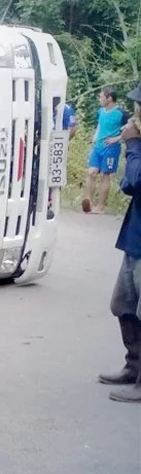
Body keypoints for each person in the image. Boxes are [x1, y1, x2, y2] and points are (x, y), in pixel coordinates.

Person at [101, 85, 141, 403]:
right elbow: (129, 186)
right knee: (123, 306)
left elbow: (135, 181)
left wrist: (133, 146)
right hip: (135, 239)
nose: (136, 112)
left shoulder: (137, 145)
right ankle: (134, 365)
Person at [84, 88, 129, 215]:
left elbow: (130, 127)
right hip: (98, 146)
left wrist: (117, 138)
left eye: (101, 97)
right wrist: (95, 136)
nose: (99, 99)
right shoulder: (100, 111)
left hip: (111, 149)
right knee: (91, 172)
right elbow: (99, 125)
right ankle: (89, 202)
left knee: (105, 174)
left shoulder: (122, 114)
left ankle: (101, 206)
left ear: (109, 98)